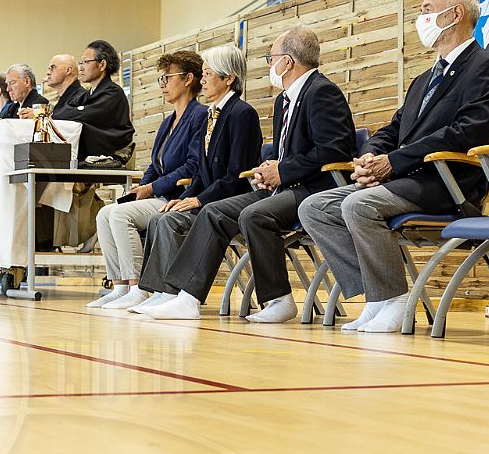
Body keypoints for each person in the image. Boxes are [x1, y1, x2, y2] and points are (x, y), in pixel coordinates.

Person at [298, 0, 489, 334]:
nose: (420, 17)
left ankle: (394, 298)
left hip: (448, 182)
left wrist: (394, 162)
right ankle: (377, 297)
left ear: (455, 14)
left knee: (358, 205)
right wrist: (369, 155)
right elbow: (394, 128)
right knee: (314, 208)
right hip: (407, 179)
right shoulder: (424, 78)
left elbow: (465, 133)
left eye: (427, 10)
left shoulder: (486, 66)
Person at [139, 26, 354, 322]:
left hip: (312, 189)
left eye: (271, 58)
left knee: (255, 215)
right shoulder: (283, 100)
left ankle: (279, 299)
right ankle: (186, 298)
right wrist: (269, 170)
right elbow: (288, 154)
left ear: (288, 61)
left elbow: (334, 150)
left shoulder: (322, 92)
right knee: (213, 212)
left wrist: (282, 170)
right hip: (283, 187)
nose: (269, 65)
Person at [130, 44, 261, 312]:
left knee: (174, 220)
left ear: (228, 78)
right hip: (209, 197)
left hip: (230, 199)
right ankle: (161, 292)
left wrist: (200, 200)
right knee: (162, 217)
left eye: (208, 74)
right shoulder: (211, 115)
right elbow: (200, 171)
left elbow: (235, 175)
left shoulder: (242, 114)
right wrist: (185, 197)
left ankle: (176, 295)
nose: (202, 80)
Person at [87, 50, 209, 311]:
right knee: (104, 214)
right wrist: (143, 186)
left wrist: (152, 188)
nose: (162, 84)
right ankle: (120, 286)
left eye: (167, 78)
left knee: (120, 215)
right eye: (160, 79)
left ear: (188, 79)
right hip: (159, 194)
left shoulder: (200, 116)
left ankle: (138, 287)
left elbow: (193, 166)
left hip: (179, 197)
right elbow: (155, 164)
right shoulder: (168, 122)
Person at [52, 39, 134, 165]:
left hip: (107, 154)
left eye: (85, 62)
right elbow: (64, 111)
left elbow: (83, 114)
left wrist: (53, 115)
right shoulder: (86, 95)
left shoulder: (113, 93)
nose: (81, 68)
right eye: (80, 63)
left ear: (102, 65)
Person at [20, 55, 85, 117]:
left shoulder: (81, 98)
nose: (48, 73)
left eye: (52, 68)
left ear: (68, 70)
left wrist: (39, 115)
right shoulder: (65, 98)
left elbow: (68, 117)